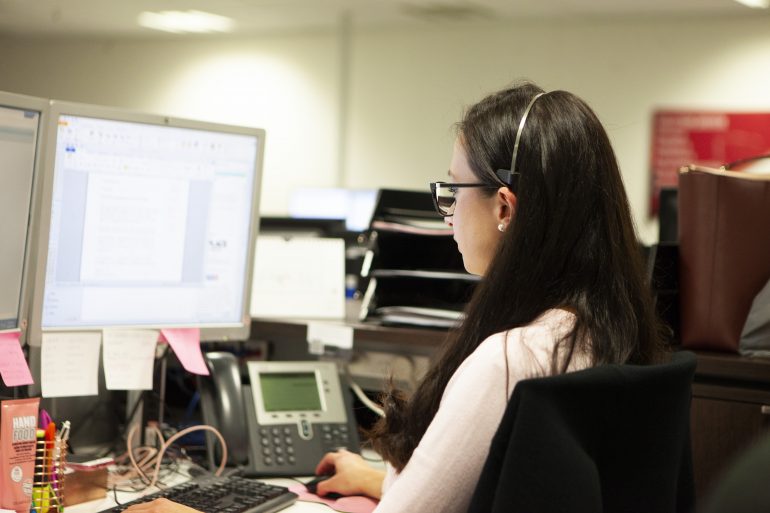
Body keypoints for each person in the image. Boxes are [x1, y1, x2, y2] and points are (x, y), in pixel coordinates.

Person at [124, 81, 666, 513]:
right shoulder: (597, 332)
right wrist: (389, 480)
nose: (447, 214)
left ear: (505, 207)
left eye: (453, 191)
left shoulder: (510, 359)